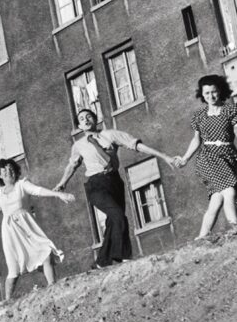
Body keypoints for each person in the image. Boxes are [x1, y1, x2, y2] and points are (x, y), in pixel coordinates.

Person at [55, 109, 178, 268]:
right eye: (81, 119)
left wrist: (164, 156)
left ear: (95, 119)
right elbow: (72, 165)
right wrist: (62, 183)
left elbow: (137, 145)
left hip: (114, 181)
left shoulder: (110, 135)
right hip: (96, 184)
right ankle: (124, 257)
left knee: (113, 221)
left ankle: (101, 262)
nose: (85, 120)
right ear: (79, 125)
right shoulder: (78, 145)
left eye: (89, 117)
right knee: (118, 216)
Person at [0, 159, 74, 300]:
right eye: (5, 171)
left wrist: (58, 194)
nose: (9, 173)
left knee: (46, 252)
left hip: (28, 227)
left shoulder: (22, 184)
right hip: (10, 232)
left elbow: (38, 190)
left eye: (11, 169)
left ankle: (52, 287)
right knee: (13, 270)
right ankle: (7, 301)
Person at [175, 74, 237, 239]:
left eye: (214, 92)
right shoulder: (199, 116)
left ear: (220, 91)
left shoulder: (232, 110)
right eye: (207, 93)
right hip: (208, 158)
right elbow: (196, 140)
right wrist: (185, 158)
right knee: (229, 191)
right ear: (202, 95)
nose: (211, 96)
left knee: (217, 199)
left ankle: (201, 237)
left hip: (228, 156)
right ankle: (236, 228)